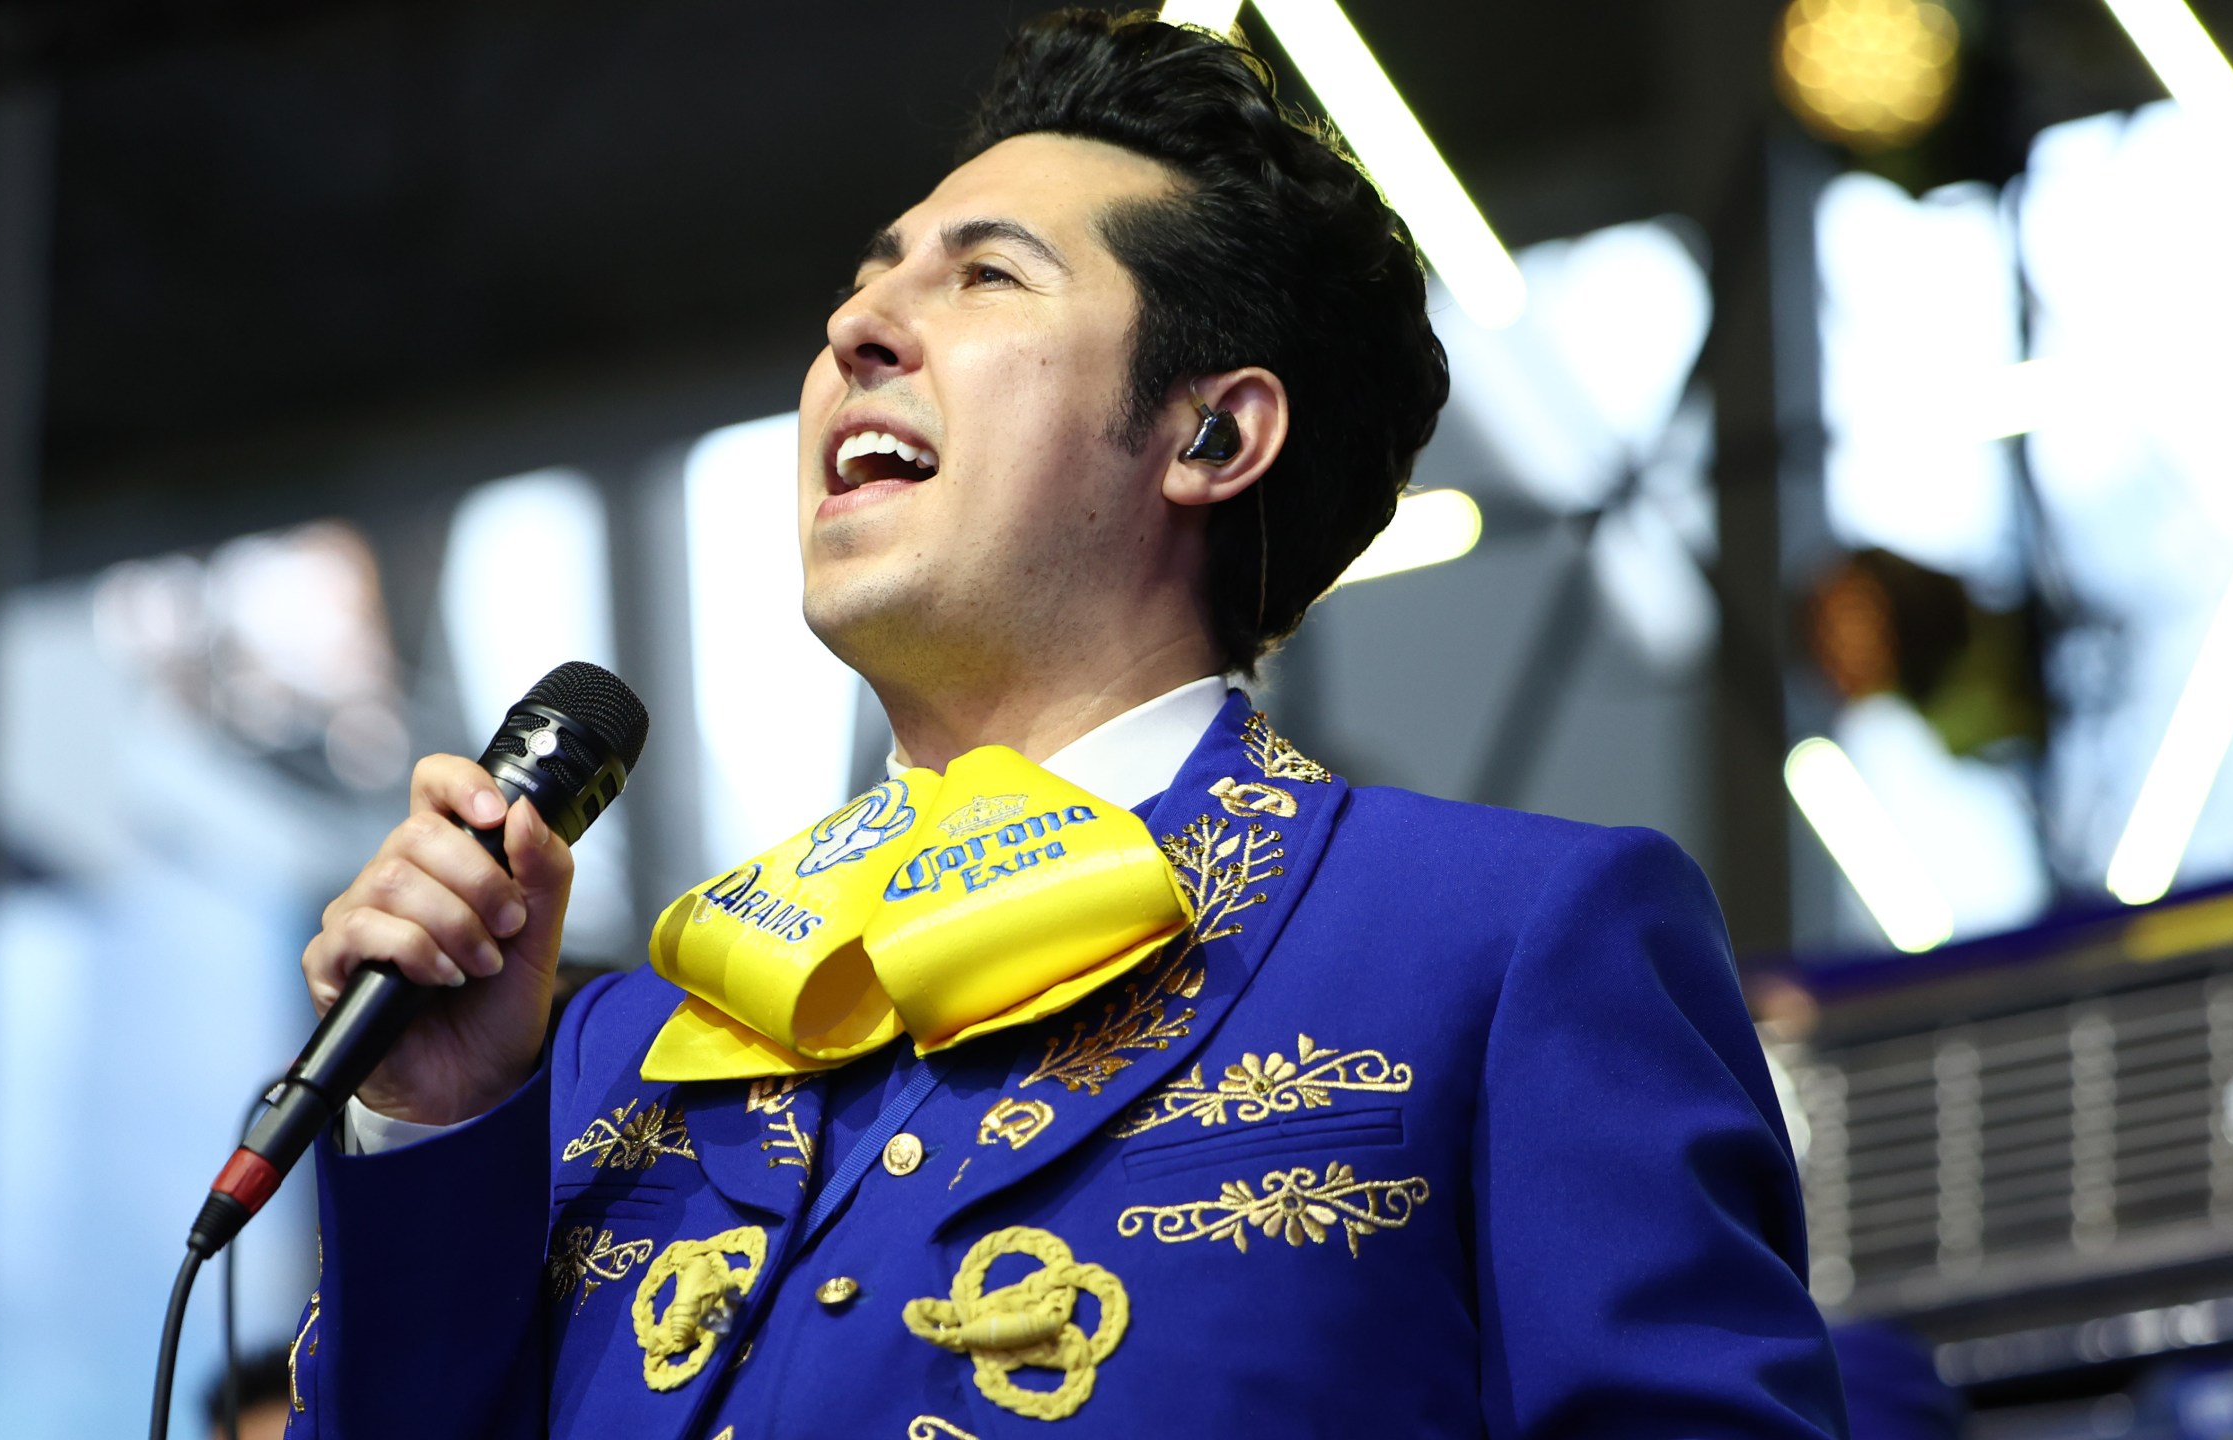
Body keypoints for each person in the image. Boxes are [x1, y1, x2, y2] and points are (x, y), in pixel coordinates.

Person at [283, 11, 1847, 1438]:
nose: (857, 331)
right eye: (868, 276)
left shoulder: (1505, 939)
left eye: (983, 275)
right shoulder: (609, 1049)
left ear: (1213, 429)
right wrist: (437, 1125)